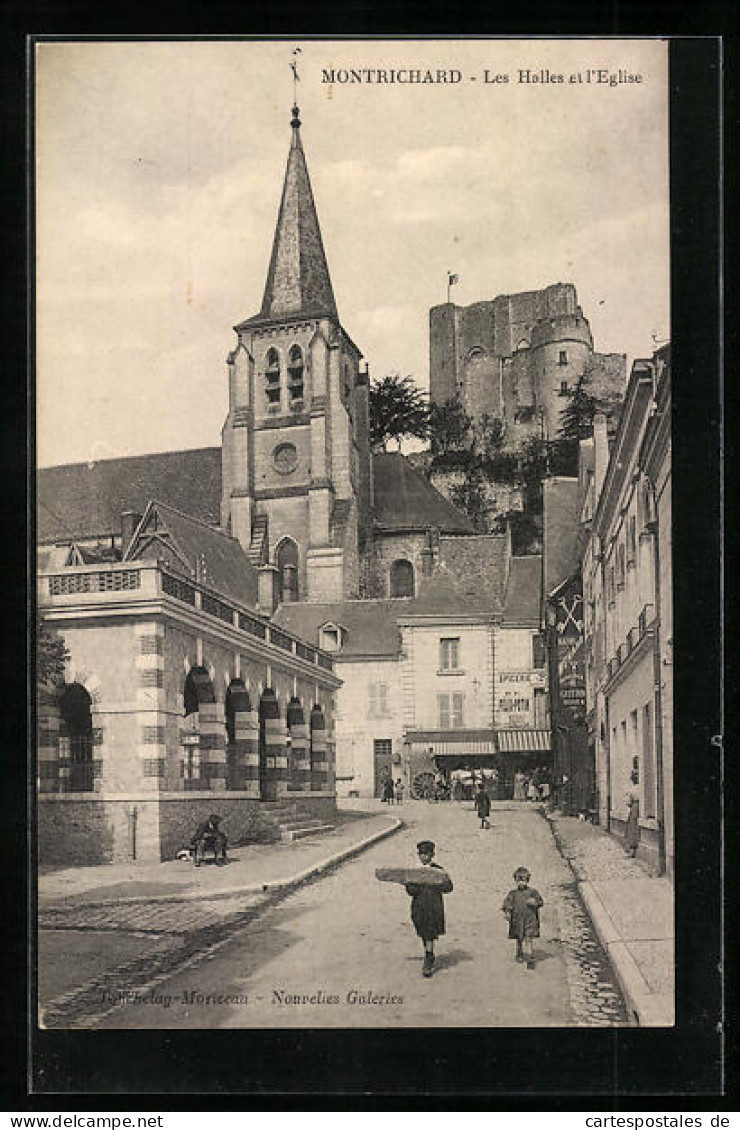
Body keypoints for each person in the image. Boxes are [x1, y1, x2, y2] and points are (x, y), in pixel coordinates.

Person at [405, 840, 453, 978]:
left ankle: (429, 957)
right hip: (419, 906)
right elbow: (410, 890)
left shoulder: (438, 869)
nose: (424, 857)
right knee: (422, 930)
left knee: (429, 932)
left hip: (433, 906)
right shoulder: (414, 871)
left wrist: (438, 883)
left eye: (427, 854)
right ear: (418, 855)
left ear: (432, 854)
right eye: (421, 854)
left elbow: (449, 887)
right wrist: (413, 885)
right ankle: (428, 951)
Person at [502, 866, 544, 970]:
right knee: (519, 937)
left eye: (524, 880)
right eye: (519, 880)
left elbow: (540, 902)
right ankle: (519, 953)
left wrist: (535, 902)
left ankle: (529, 957)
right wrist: (507, 912)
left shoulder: (533, 892)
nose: (521, 883)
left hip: (530, 920)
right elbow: (507, 903)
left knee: (528, 938)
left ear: (527, 880)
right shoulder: (513, 894)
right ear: (515, 881)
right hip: (517, 920)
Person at [624, 769, 640, 857]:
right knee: (636, 827)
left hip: (634, 807)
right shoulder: (642, 787)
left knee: (632, 827)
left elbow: (628, 803)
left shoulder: (632, 789)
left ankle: (632, 850)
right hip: (641, 807)